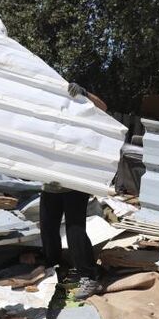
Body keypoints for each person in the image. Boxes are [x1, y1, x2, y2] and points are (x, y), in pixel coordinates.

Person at [39, 82, 108, 300]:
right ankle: (55, 268)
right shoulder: (46, 116)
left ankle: (89, 276)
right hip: (51, 183)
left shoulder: (79, 110)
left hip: (75, 183)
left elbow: (103, 108)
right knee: (48, 229)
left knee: (75, 230)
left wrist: (85, 93)